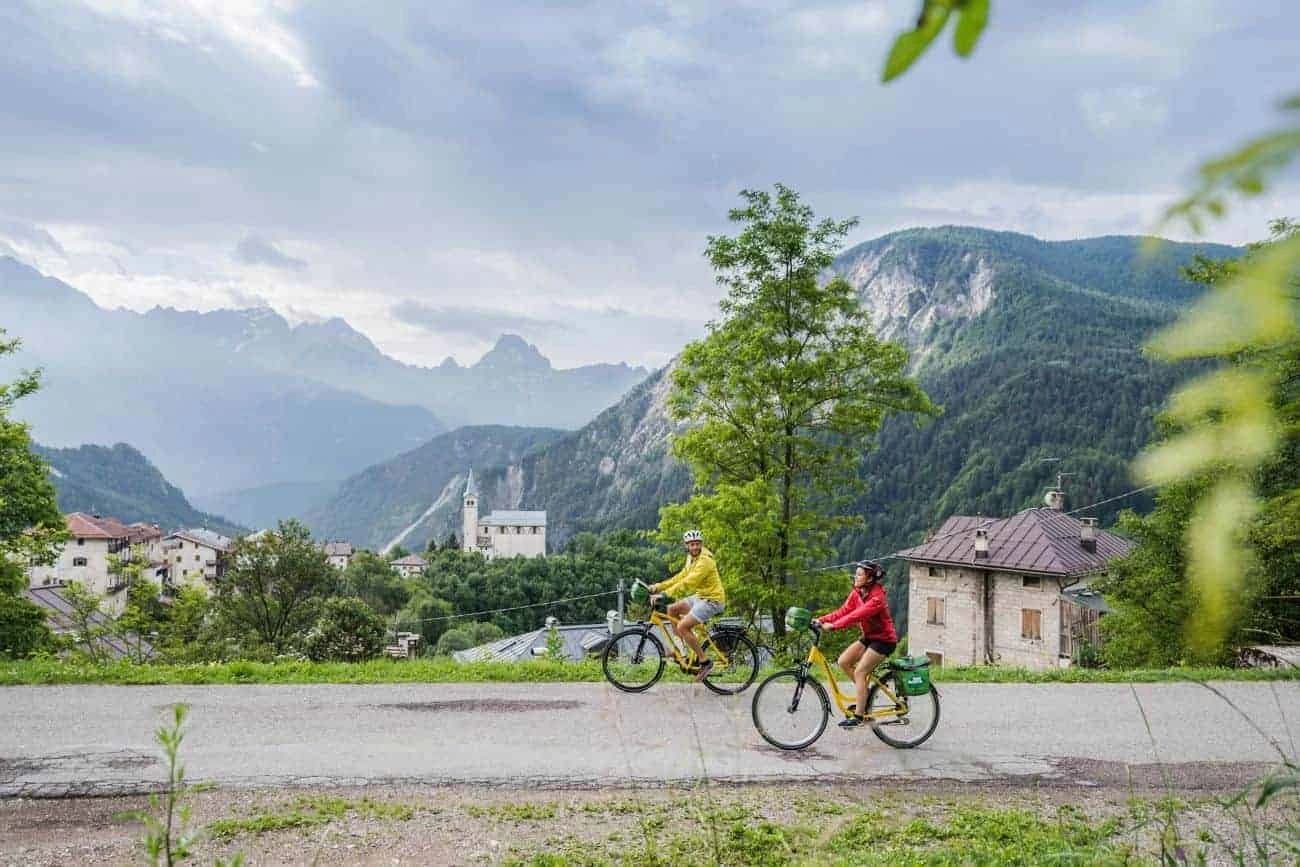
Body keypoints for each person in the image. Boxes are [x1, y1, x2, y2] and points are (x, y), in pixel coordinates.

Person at [814, 560, 898, 728]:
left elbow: (856, 615)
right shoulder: (858, 592)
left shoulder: (877, 598)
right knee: (843, 661)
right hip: (869, 637)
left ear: (869, 579)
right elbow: (844, 611)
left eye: (859, 574)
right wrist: (822, 620)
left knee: (860, 672)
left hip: (884, 640)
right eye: (856, 573)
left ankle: (859, 716)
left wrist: (835, 626)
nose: (855, 576)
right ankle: (865, 695)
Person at [649, 530, 726, 682]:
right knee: (672, 609)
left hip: (712, 600)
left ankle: (705, 661)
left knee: (683, 626)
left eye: (697, 544)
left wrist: (665, 595)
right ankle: (680, 649)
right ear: (687, 546)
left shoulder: (705, 561)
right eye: (692, 545)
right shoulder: (691, 558)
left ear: (701, 544)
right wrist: (659, 587)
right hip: (700, 596)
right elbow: (681, 576)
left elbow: (688, 582)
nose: (695, 547)